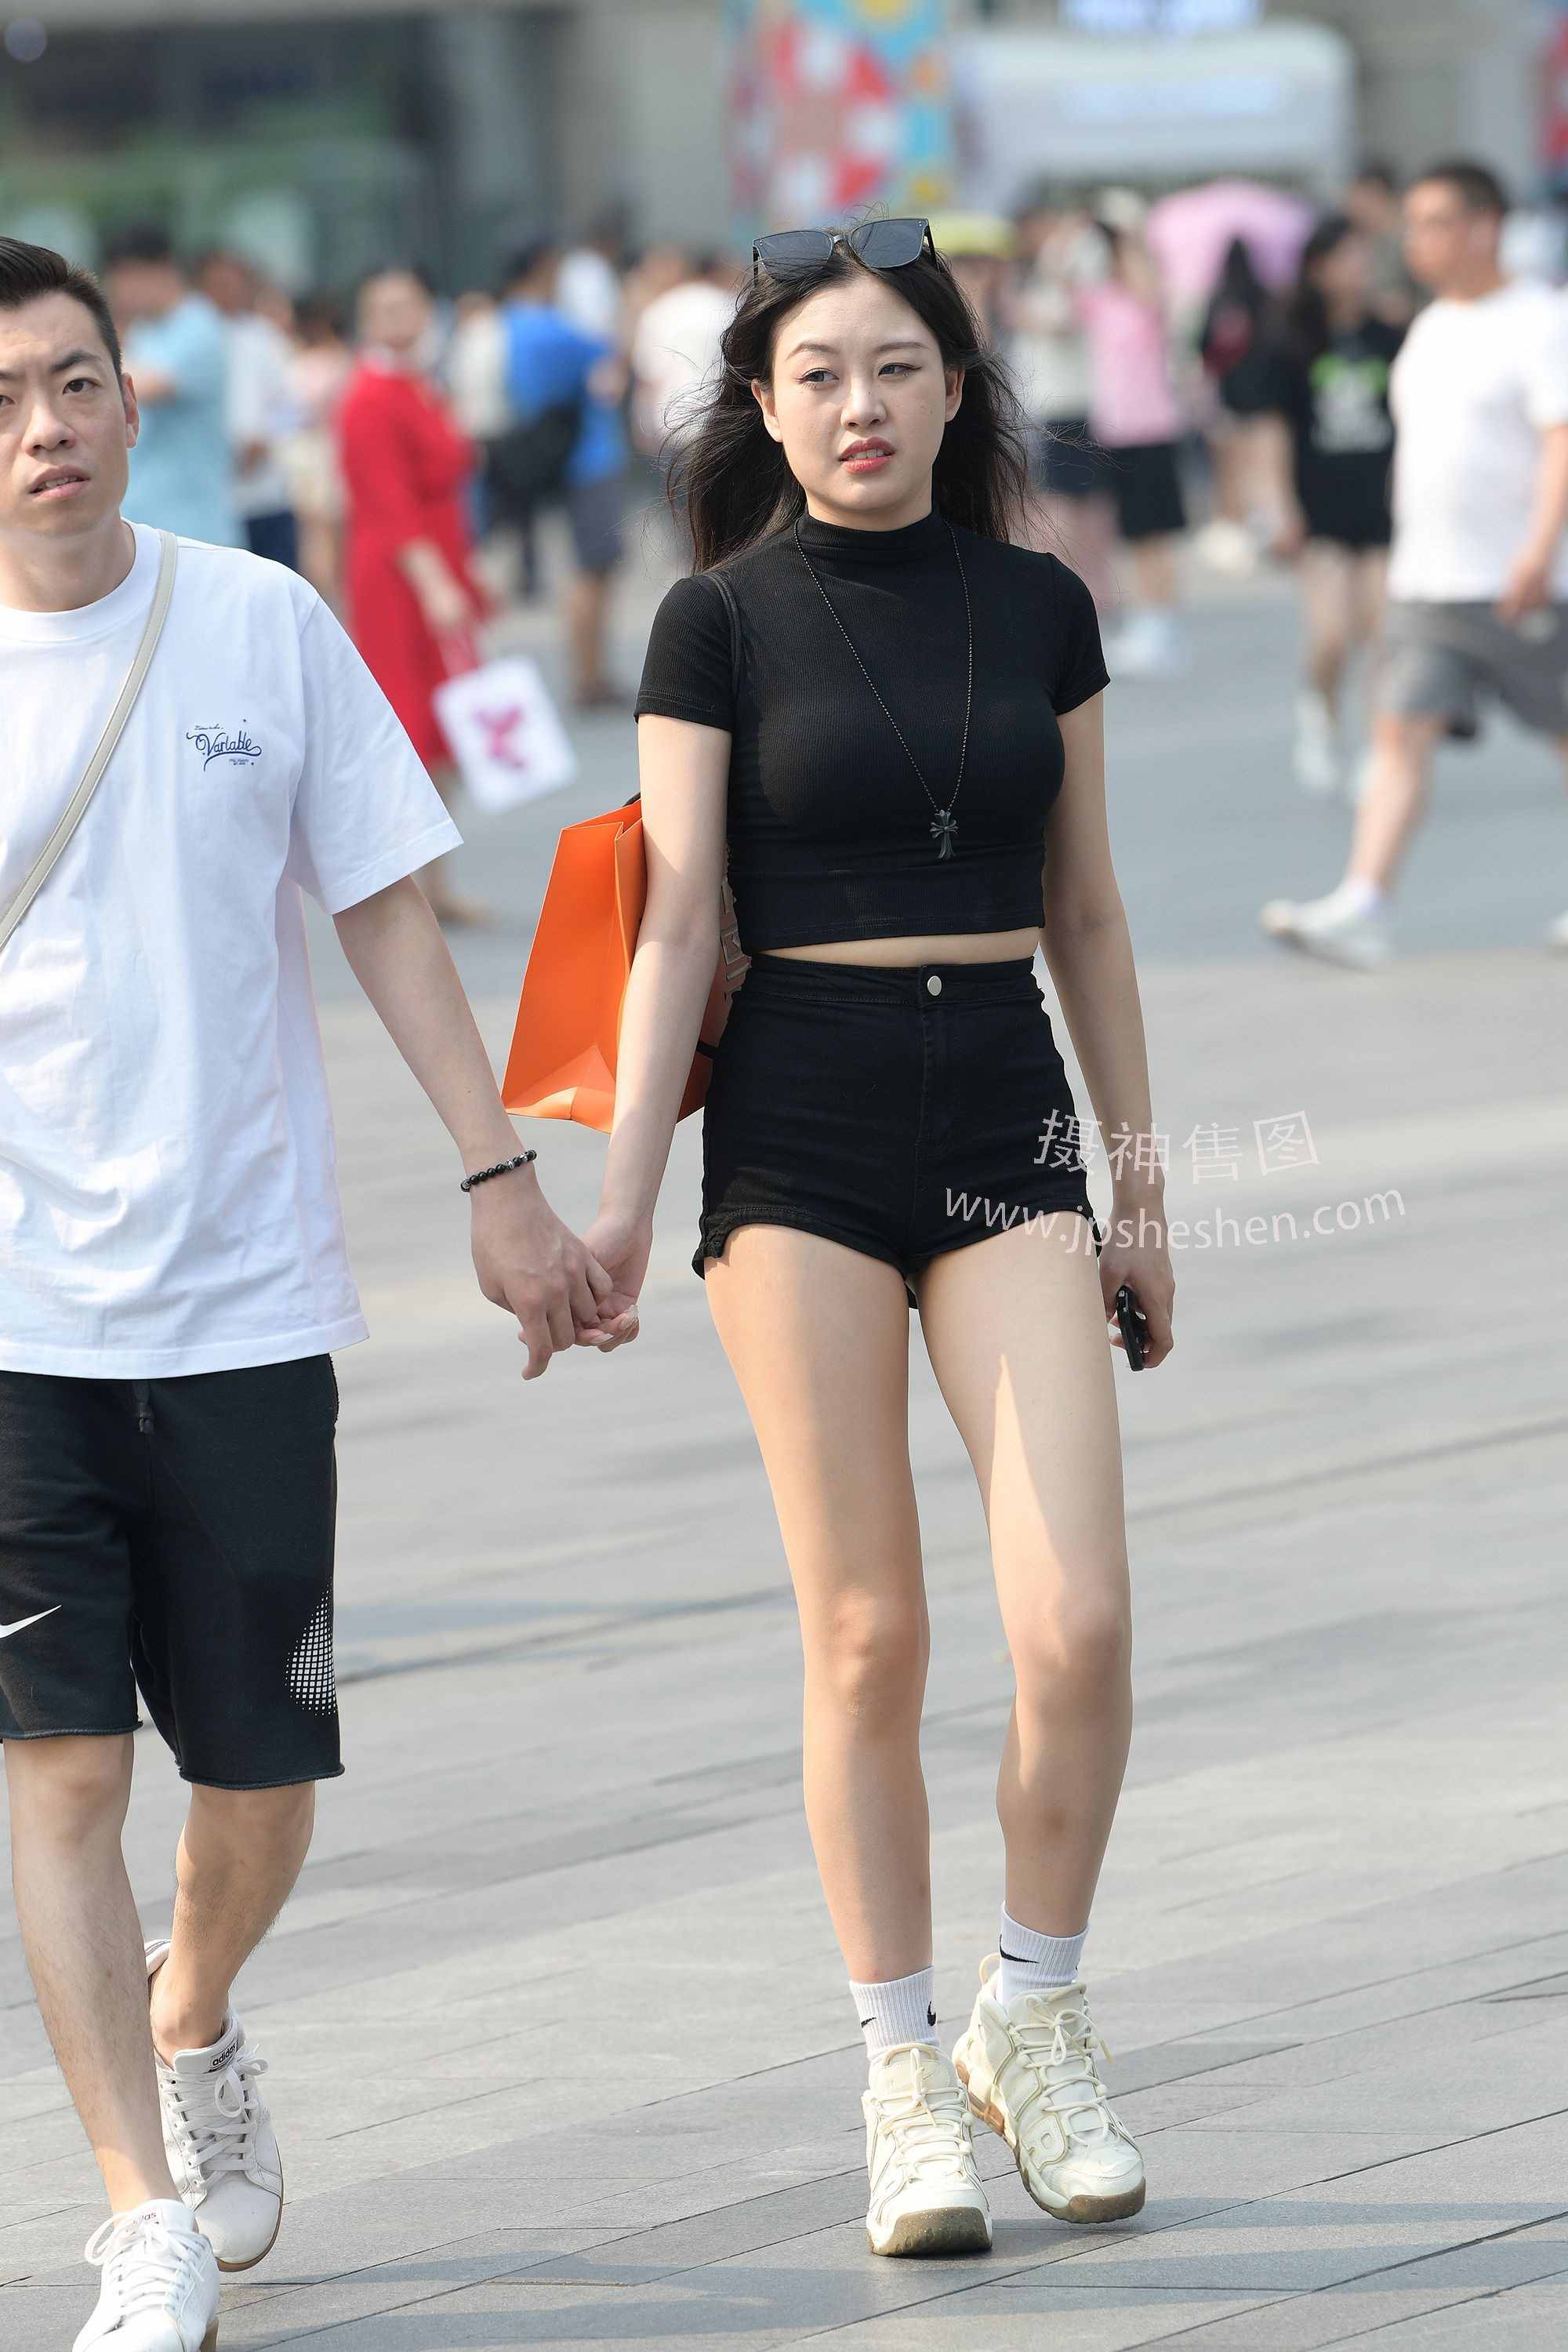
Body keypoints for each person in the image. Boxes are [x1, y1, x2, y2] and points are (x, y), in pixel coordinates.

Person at [0, 234, 632, 2352]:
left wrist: (499, 1180)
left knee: (260, 1776)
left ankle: (192, 2006)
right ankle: (138, 2212)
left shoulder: (257, 622)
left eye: (73, 383)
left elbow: (382, 906)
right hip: (17, 1323)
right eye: (3, 401)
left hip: (248, 1301)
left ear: (136, 399)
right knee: (61, 1775)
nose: (43, 431)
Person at [591, 216, 1174, 2259]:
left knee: (1077, 1621)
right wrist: (618, 1205)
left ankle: (1036, 2011)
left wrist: (1140, 1190)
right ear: (764, 408)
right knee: (867, 1634)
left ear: (956, 387)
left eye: (896, 367)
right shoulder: (714, 623)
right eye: (820, 375)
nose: (861, 405)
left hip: (1005, 1104)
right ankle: (901, 2076)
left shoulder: (1040, 604)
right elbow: (677, 918)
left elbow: (1086, 907)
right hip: (802, 1129)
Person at [1261, 162, 1568, 967]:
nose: (1415, 240)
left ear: (1484, 226)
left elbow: (1559, 440)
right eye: (1413, 224)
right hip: (1427, 582)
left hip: (1520, 580)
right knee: (1397, 732)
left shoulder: (1540, 320)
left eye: (1435, 222)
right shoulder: (1428, 328)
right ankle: (1364, 904)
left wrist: (1539, 550)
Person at [336, 263, 490, 927]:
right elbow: (389, 506)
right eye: (386, 307)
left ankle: (434, 883)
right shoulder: (368, 396)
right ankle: (410, 888)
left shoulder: (418, 384)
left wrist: (462, 574)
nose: (400, 318)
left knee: (442, 725)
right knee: (411, 726)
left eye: (410, 304)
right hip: (401, 578)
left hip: (436, 560)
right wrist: (435, 584)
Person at [1256, 216, 1404, 797]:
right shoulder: (1292, 341)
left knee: (1384, 633)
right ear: (1318, 268)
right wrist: (1279, 506)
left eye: (1365, 257)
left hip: (1383, 503)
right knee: (1332, 633)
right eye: (1348, 258)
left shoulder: (1389, 336)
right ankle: (1319, 716)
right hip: (1318, 505)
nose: (1360, 269)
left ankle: (1380, 745)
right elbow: (1273, 431)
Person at [499, 236, 630, 709]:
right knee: (594, 568)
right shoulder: (546, 327)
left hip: (561, 456)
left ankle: (590, 673)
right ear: (542, 265)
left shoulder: (511, 322)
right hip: (587, 457)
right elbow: (608, 350)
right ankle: (590, 676)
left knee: (587, 566)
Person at [1075, 213, 1189, 677]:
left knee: (1154, 535)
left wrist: (1130, 239)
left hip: (1152, 428)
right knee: (1134, 534)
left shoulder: (1148, 300)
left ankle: (1162, 624)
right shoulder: (1099, 300)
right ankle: (1151, 621)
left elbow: (1151, 287)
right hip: (1117, 431)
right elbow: (1060, 287)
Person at [1002, 200, 1115, 612]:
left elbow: (1062, 322)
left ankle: (1090, 589)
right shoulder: (1043, 273)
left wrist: (1020, 307)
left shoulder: (1076, 264)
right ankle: (1085, 588)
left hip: (1070, 404)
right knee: (1064, 500)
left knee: (1072, 502)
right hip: (1051, 405)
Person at [101, 223, 239, 550]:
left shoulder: (199, 325)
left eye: (124, 277)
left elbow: (138, 386)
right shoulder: (144, 330)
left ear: (159, 270)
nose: (119, 292)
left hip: (195, 530)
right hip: (149, 524)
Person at [197, 248, 302, 572]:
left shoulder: (265, 338)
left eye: (233, 282)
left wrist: (263, 440)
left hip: (266, 493)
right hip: (213, 497)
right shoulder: (193, 340)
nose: (226, 291)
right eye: (217, 284)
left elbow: (293, 406)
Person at [281, 291, 353, 610]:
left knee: (316, 532)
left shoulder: (298, 362)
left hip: (310, 452)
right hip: (321, 452)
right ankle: (331, 597)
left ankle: (326, 599)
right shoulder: (341, 360)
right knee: (324, 532)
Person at [1343, 162, 1421, 329]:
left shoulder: (1409, 242)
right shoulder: (1360, 239)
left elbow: (1404, 306)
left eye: (1364, 199)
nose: (1354, 207)